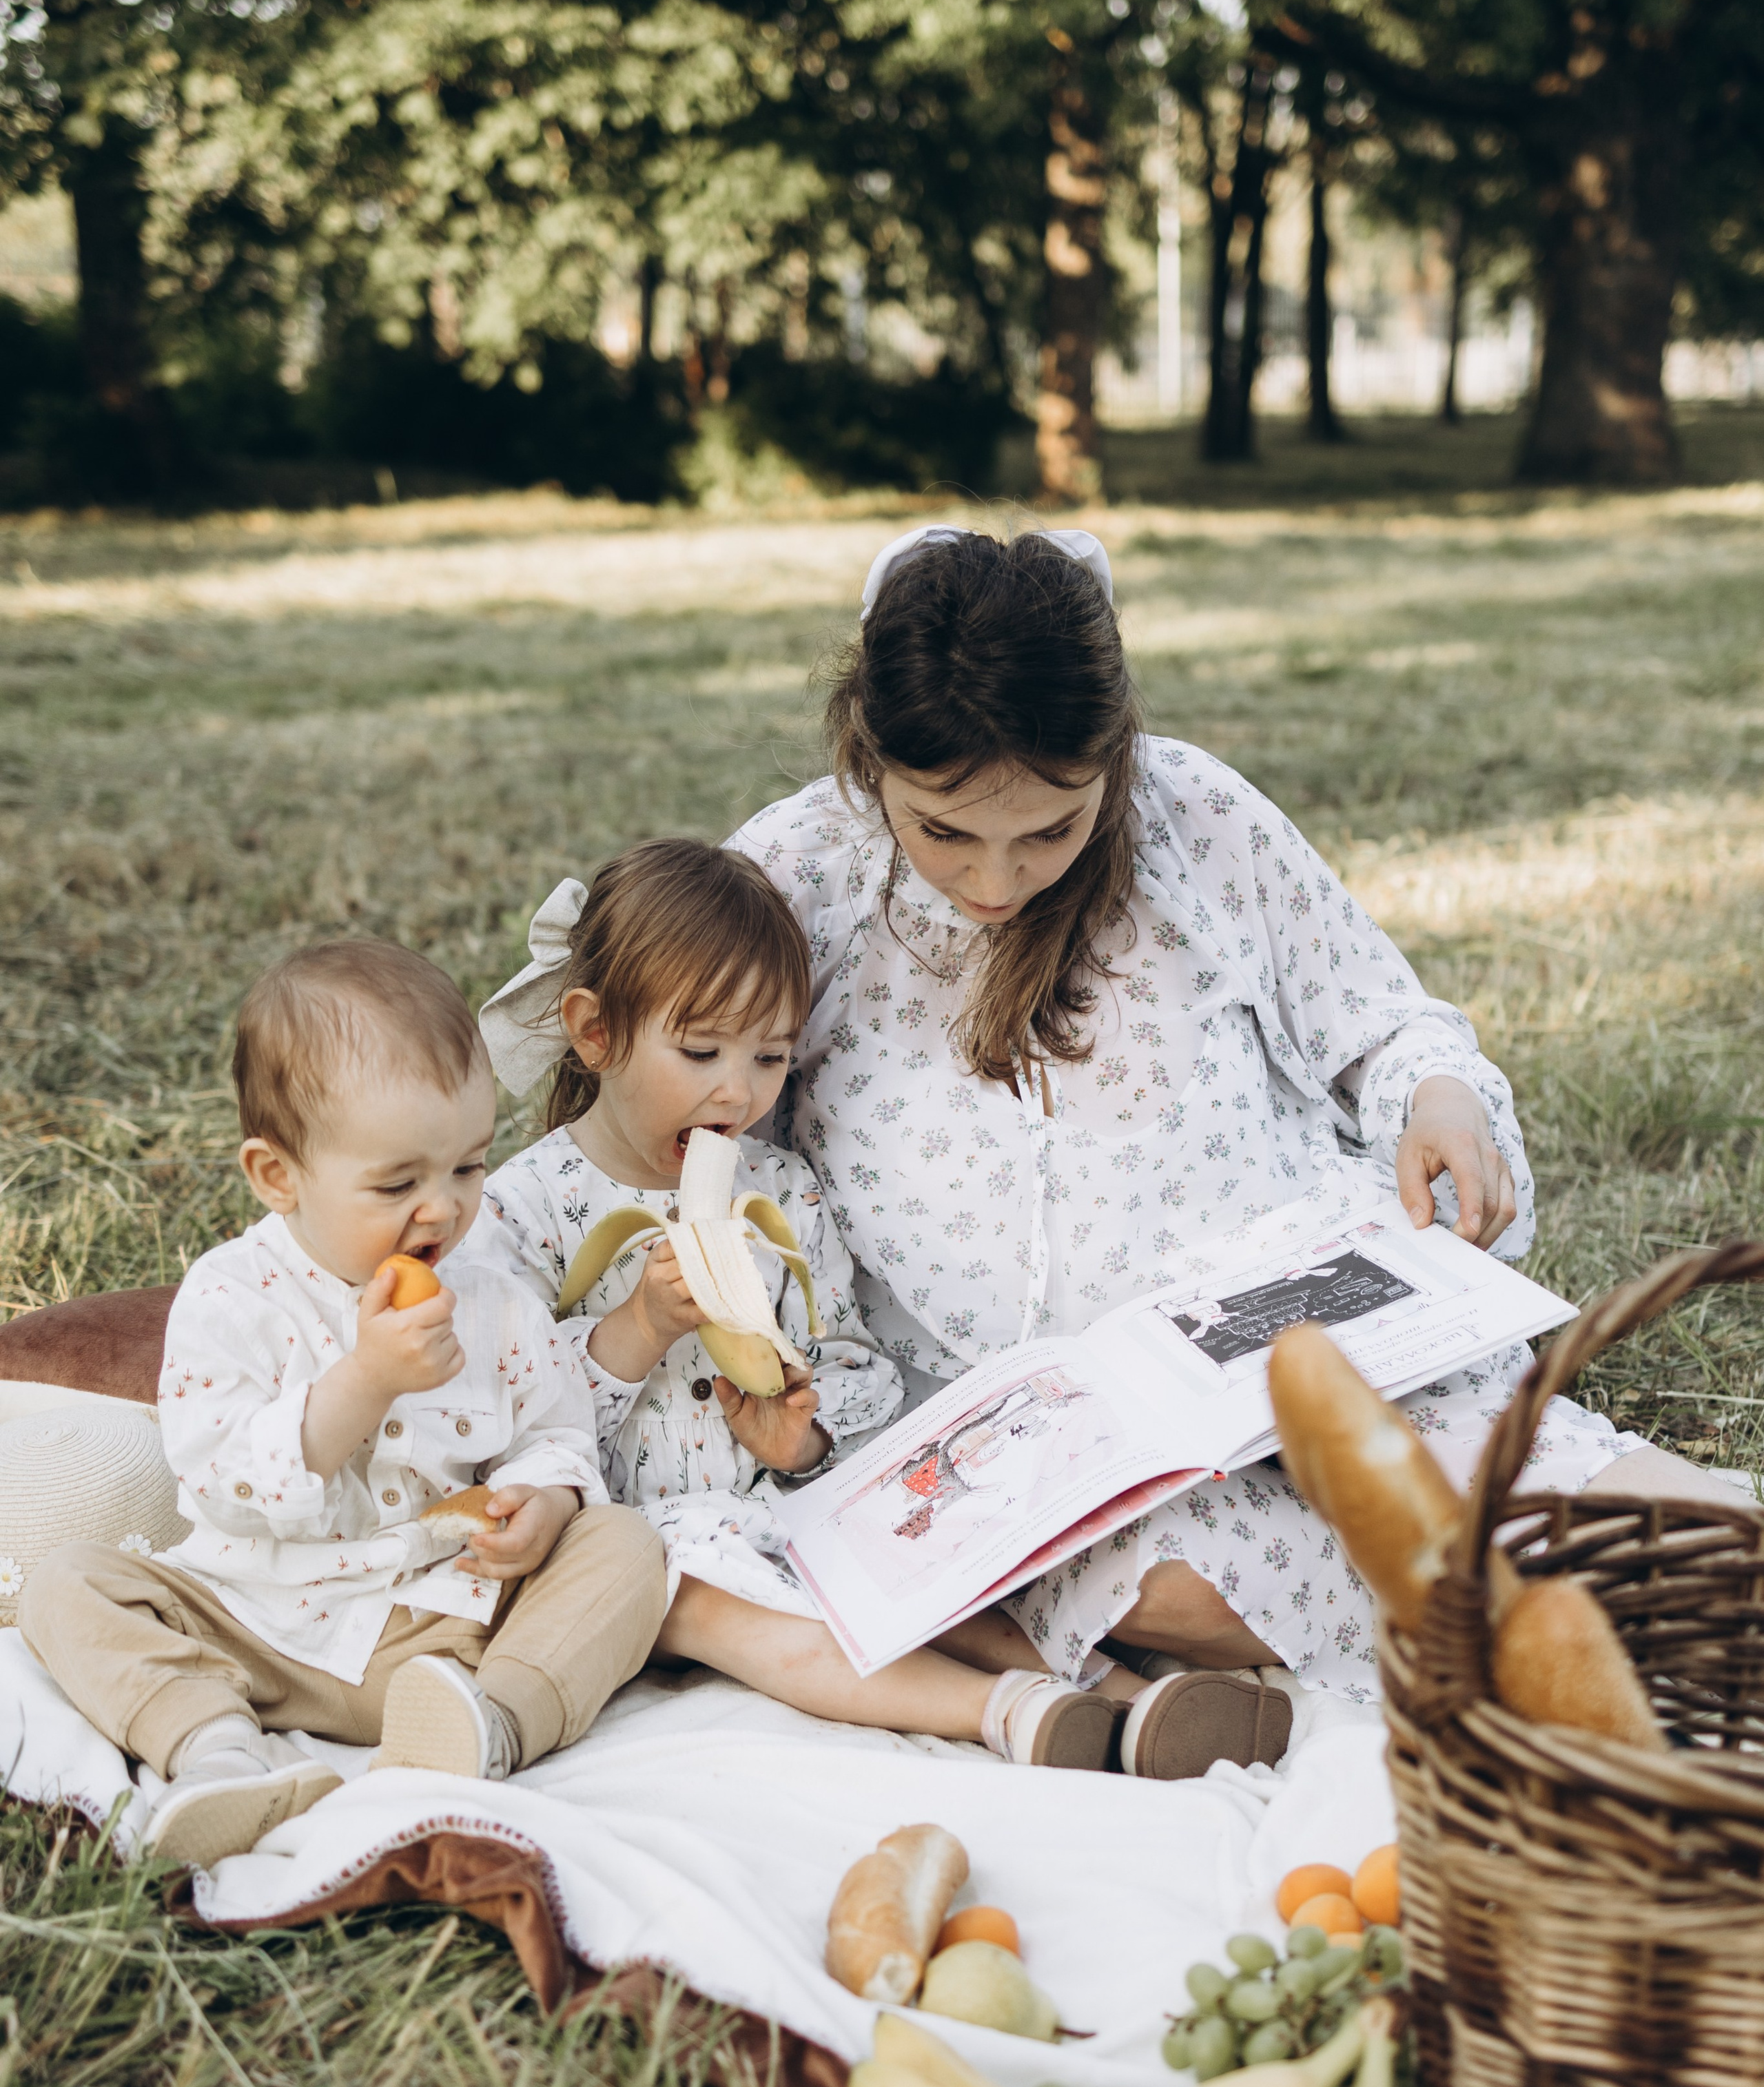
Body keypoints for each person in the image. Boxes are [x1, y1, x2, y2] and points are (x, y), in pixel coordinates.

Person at [725, 523, 1734, 1708]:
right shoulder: (799, 872)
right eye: (943, 830)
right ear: (868, 756)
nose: (996, 882)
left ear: (1115, 758)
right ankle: (1501, 1610)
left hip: (1278, 1338)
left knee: (1665, 1518)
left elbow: (1382, 1021)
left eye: (1052, 829)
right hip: (1007, 1427)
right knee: (1183, 1590)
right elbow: (680, 1104)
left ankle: (1558, 1570)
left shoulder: (1196, 819)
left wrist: (1438, 1096)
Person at [473, 836, 1224, 1771]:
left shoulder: (782, 1194)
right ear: (595, 1033)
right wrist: (634, 1328)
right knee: (742, 1602)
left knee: (909, 1568)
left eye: (771, 1056)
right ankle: (1009, 1712)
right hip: (633, 1553)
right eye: (701, 1049)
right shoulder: (524, 1208)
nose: (737, 1092)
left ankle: (1135, 1697)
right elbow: (500, 1415)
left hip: (788, 1514)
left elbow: (852, 1357)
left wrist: (808, 1435)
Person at [20, 940, 667, 1867]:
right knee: (68, 1585)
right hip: (258, 1621)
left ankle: (494, 1726)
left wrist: (545, 1500)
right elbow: (218, 1478)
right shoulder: (231, 1299)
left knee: (626, 1544)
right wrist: (363, 1381)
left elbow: (556, 1428)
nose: (442, 1210)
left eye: (469, 1168)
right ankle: (214, 1747)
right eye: (398, 1183)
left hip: (444, 1626)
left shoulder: (491, 1294)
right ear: (278, 1176)